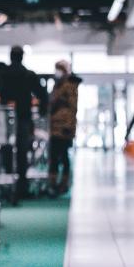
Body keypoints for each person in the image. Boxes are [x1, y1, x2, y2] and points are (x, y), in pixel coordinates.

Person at [0, 46, 48, 202]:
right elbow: (42, 94)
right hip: (24, 116)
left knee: (4, 149)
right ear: (22, 57)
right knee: (22, 152)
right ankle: (22, 186)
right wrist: (41, 111)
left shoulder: (3, 74)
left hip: (4, 116)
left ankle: (5, 185)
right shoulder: (28, 75)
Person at [48, 60, 81, 197]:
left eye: (59, 69)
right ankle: (53, 184)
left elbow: (72, 108)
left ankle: (64, 183)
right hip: (55, 126)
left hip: (64, 128)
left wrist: (69, 126)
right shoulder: (58, 85)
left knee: (63, 156)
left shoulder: (70, 86)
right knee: (54, 156)